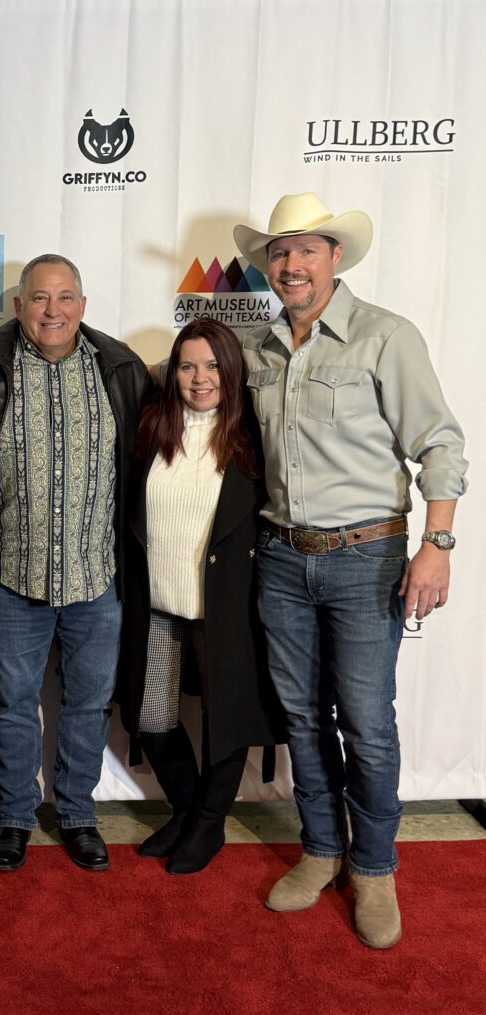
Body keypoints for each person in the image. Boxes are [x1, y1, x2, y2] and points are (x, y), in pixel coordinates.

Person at [233, 193, 467, 948]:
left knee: (366, 723)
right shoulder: (263, 348)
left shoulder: (384, 336)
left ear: (335, 258)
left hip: (368, 557)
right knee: (301, 718)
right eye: (280, 251)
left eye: (307, 250)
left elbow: (441, 443)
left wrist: (438, 543)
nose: (291, 264)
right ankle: (322, 847)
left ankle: (373, 864)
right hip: (280, 558)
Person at [0, 254, 153, 872]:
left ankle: (77, 813)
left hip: (96, 579)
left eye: (66, 298)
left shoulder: (121, 368)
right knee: (13, 702)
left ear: (83, 304)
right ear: (19, 306)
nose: (53, 311)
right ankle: (17, 817)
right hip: (11, 576)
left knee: (87, 702)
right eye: (40, 299)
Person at [114, 318, 284, 875]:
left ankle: (210, 822)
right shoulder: (150, 430)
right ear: (173, 372)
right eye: (188, 365)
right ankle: (187, 807)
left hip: (224, 610)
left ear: (231, 371)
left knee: (225, 719)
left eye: (213, 365)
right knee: (151, 716)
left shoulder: (254, 440)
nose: (200, 377)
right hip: (158, 604)